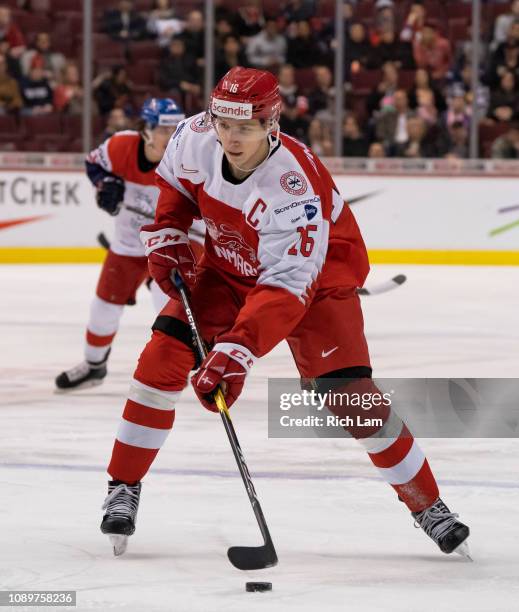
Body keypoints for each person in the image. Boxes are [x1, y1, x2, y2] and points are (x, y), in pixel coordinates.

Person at [99, 66, 470, 560]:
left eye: (245, 127)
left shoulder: (294, 188)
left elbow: (285, 288)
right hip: (229, 266)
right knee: (158, 363)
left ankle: (429, 504)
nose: (230, 136)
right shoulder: (194, 134)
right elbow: (176, 187)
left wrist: (236, 351)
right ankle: (123, 485)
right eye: (223, 123)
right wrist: (168, 233)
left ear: (271, 124)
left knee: (353, 400)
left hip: (316, 283)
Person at [55, 98, 201, 391]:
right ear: (145, 129)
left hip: (176, 244)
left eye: (176, 129)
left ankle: (190, 361)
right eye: (163, 129)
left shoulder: (191, 158)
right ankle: (94, 366)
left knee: (169, 303)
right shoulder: (120, 146)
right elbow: (94, 164)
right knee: (103, 306)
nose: (171, 137)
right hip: (129, 245)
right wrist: (106, 185)